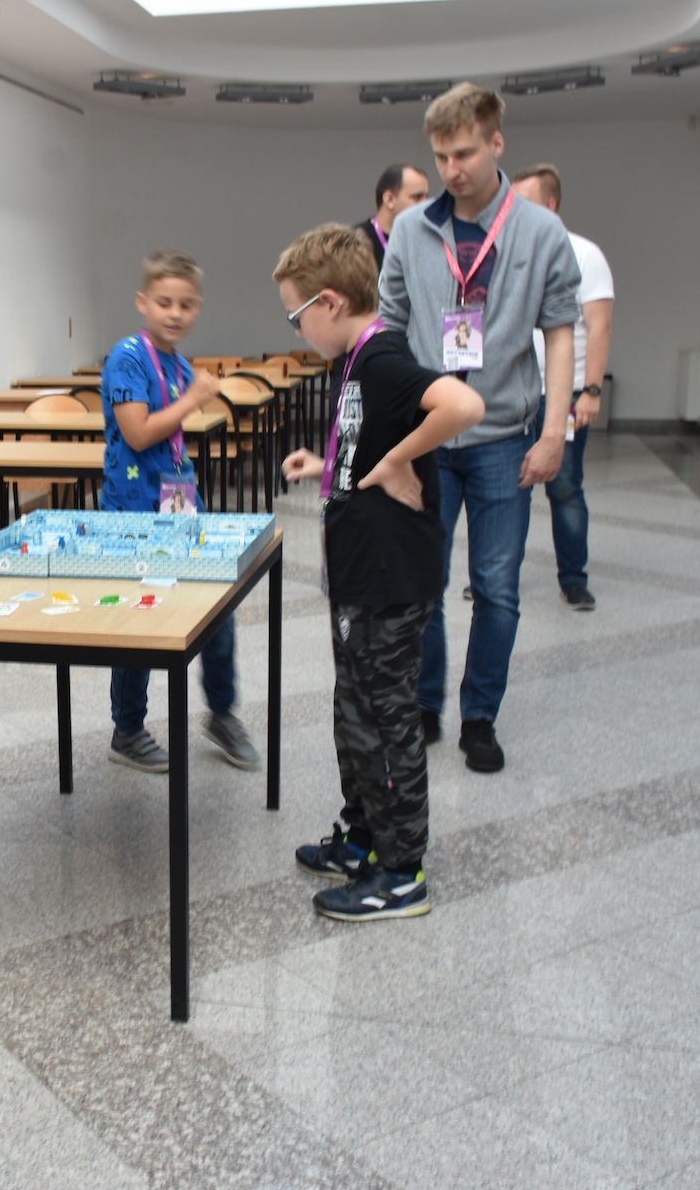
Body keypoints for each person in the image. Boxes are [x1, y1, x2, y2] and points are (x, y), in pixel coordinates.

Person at [278, 224, 484, 920]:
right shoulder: (356, 361)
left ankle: (401, 873)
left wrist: (397, 461)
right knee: (355, 714)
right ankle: (364, 838)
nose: (298, 328)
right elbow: (366, 441)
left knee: (386, 719)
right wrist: (328, 466)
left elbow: (464, 405)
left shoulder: (384, 358)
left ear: (331, 303)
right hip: (362, 572)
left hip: (390, 579)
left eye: (297, 315)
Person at [378, 82, 581, 774]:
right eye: (441, 156)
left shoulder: (541, 232)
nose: (452, 169)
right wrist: (392, 436)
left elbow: (560, 333)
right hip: (431, 437)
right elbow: (390, 331)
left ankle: (480, 717)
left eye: (464, 153)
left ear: (497, 143)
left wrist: (554, 432)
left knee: (497, 588)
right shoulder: (412, 230)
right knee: (424, 583)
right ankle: (424, 704)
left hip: (503, 439)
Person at [101, 250, 260, 772]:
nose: (175, 313)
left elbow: (169, 438)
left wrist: (189, 394)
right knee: (140, 618)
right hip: (135, 512)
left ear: (198, 309)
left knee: (216, 606)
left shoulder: (179, 364)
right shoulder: (128, 357)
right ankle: (127, 729)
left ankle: (222, 713)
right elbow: (138, 433)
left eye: (186, 305)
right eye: (164, 302)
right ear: (142, 301)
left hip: (179, 502)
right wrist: (193, 398)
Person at [510, 163, 615, 611]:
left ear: (550, 206)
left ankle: (573, 579)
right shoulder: (507, 253)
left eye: (524, 202)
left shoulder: (585, 255)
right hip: (513, 394)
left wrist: (591, 391)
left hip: (565, 395)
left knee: (565, 486)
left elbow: (600, 327)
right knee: (507, 489)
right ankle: (497, 577)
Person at [356, 164, 433, 269]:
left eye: (426, 197)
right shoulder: (355, 243)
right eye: (417, 197)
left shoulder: (429, 240)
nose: (425, 204)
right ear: (390, 199)